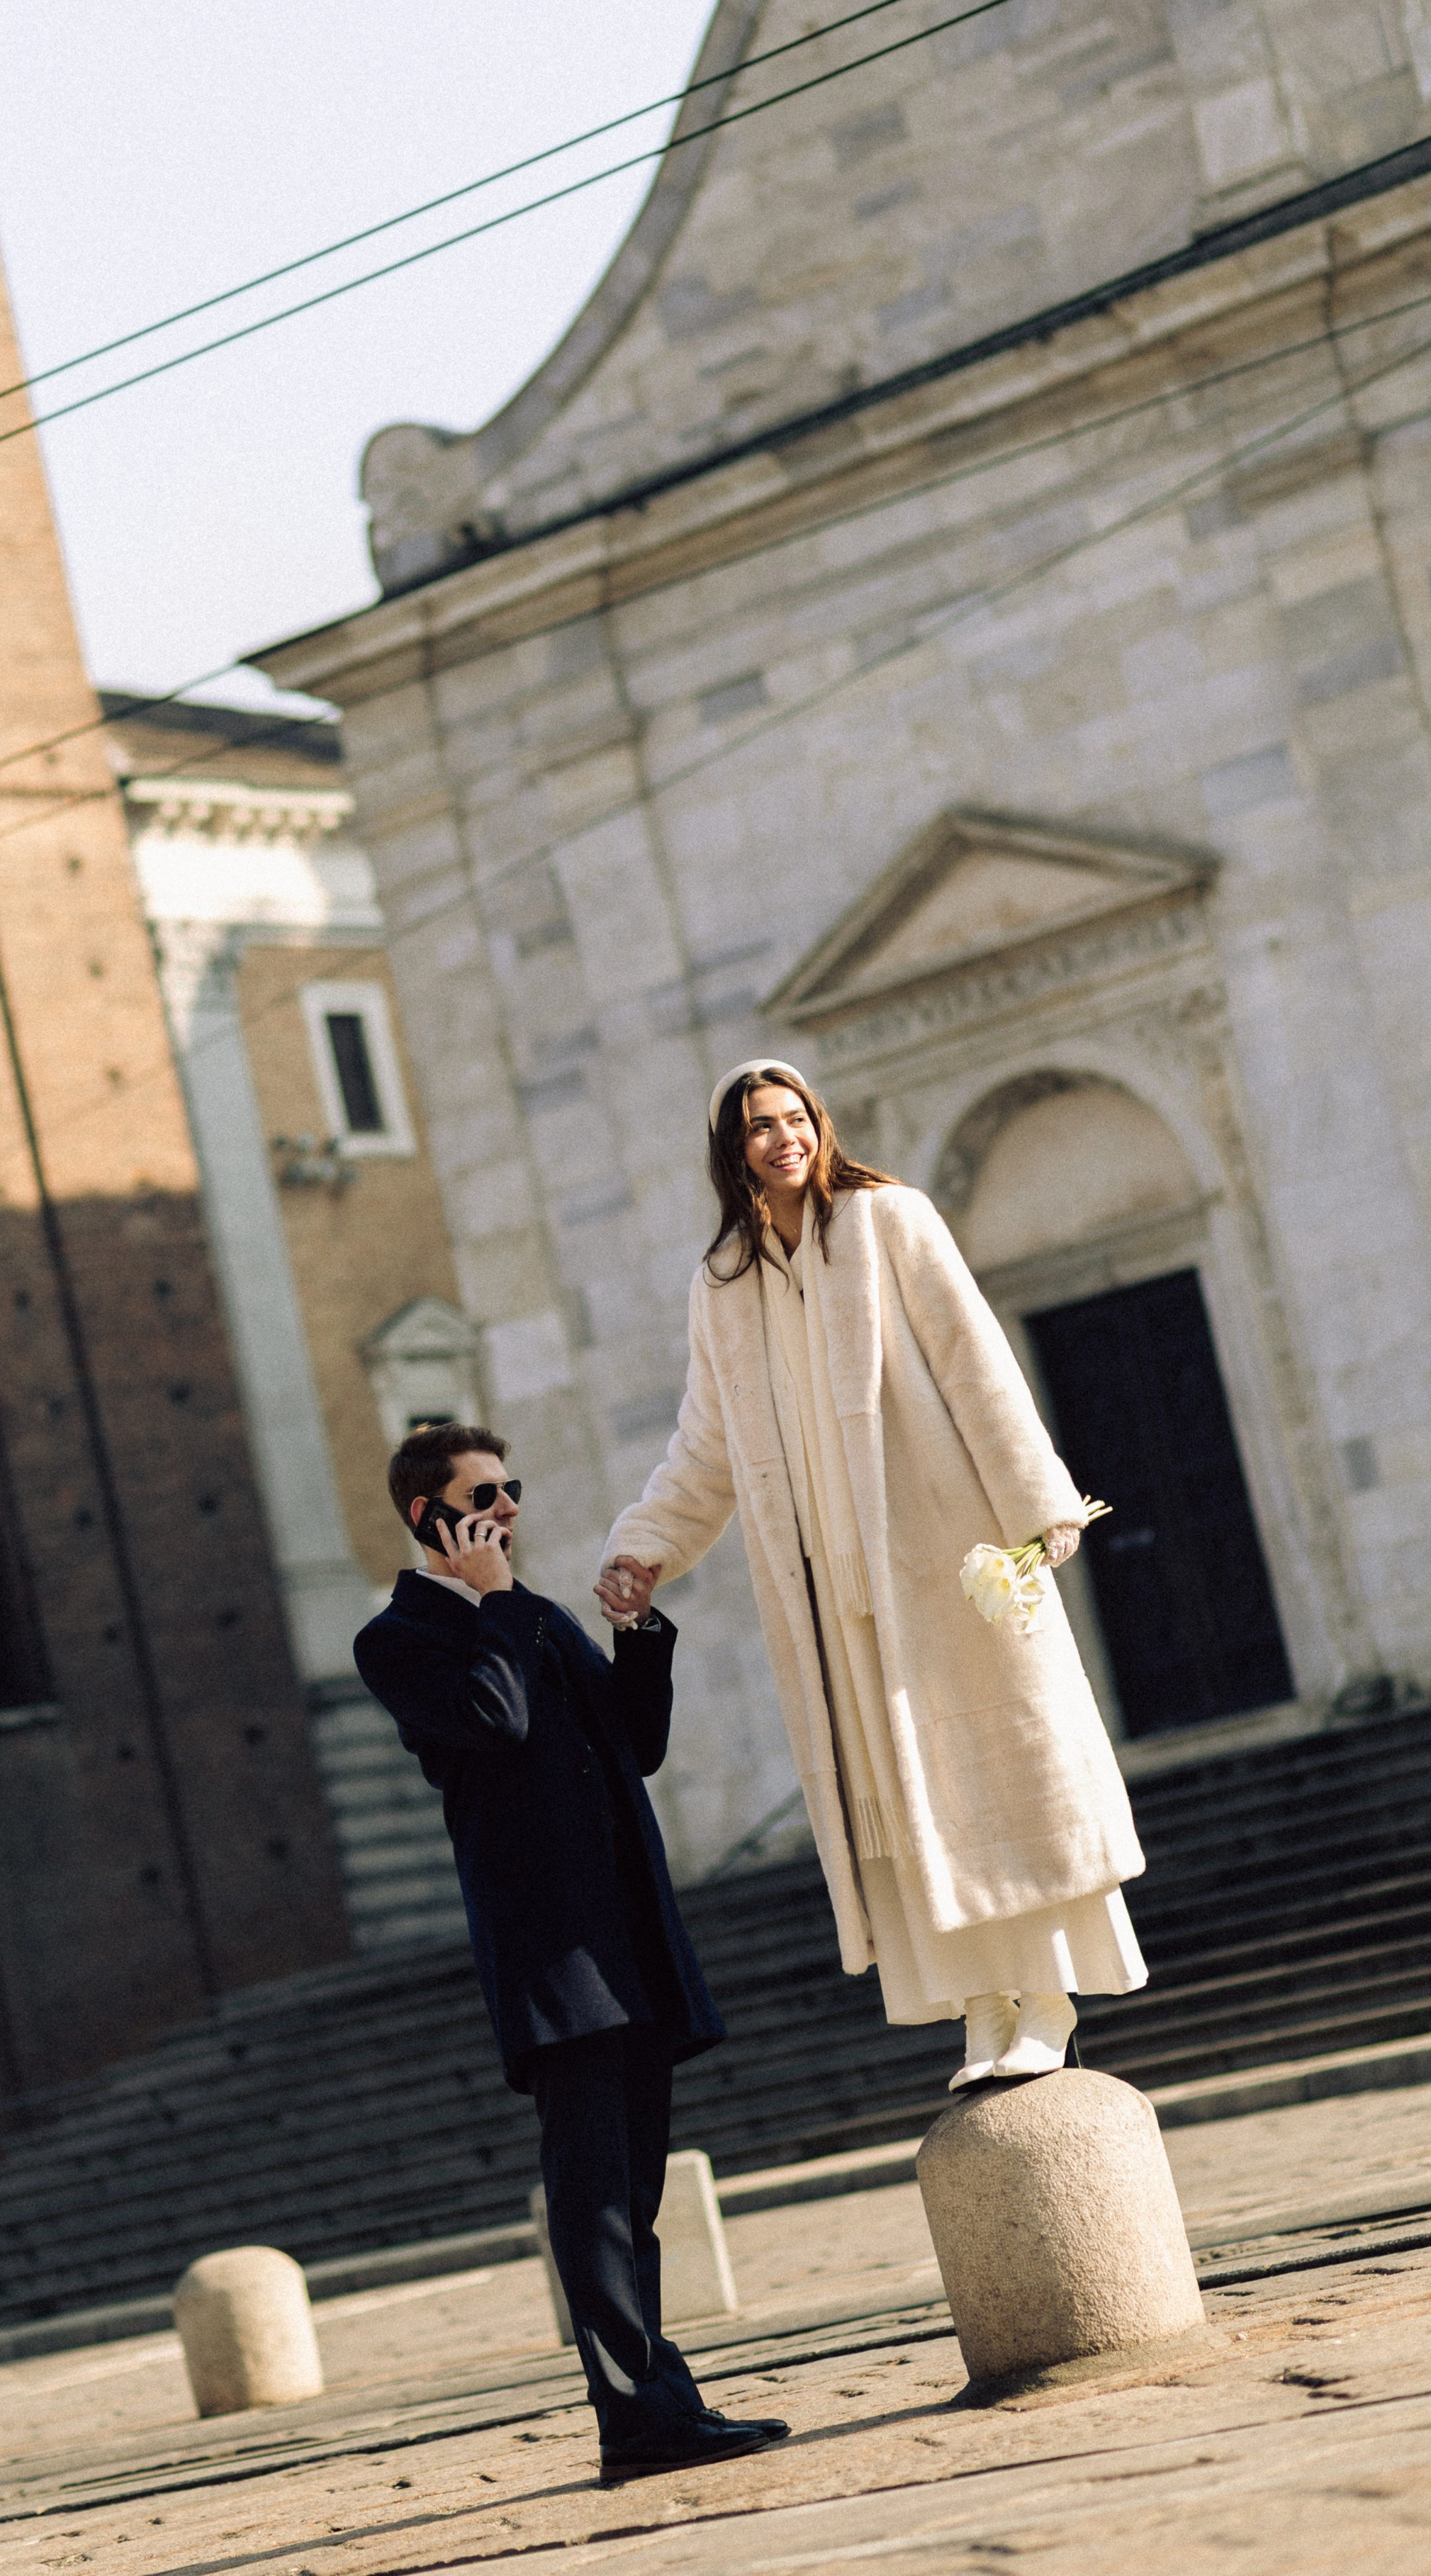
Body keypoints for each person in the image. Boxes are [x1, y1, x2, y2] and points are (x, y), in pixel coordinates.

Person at [595, 1061, 1147, 2093]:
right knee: (902, 1803)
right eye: (758, 1127)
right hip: (827, 1598)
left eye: (794, 1118)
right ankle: (980, 2006)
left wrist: (1038, 1505)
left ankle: (1046, 1995)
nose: (781, 1139)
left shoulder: (892, 1221)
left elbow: (972, 1357)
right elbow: (705, 1450)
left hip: (939, 1559)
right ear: (732, 1149)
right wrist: (644, 1546)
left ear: (819, 1124)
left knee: (997, 1778)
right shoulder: (723, 1284)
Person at [355, 1422, 788, 2481]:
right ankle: (637, 2421)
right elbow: (491, 1722)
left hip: (629, 1941)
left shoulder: (542, 1619)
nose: (506, 1509)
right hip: (554, 1957)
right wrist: (497, 1599)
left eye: (512, 1489)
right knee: (591, 2200)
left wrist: (637, 1635)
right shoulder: (402, 1639)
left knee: (631, 2196)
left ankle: (659, 2407)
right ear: (429, 1517)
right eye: (484, 1495)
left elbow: (634, 1747)